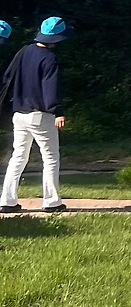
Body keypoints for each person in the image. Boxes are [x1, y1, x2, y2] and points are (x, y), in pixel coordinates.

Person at [0, 17, 71, 214]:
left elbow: (7, 76)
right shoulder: (49, 58)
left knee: (18, 157)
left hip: (19, 113)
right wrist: (58, 111)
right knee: (50, 157)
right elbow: (50, 88)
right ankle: (51, 201)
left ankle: (7, 200)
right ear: (56, 38)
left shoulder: (24, 51)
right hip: (40, 115)